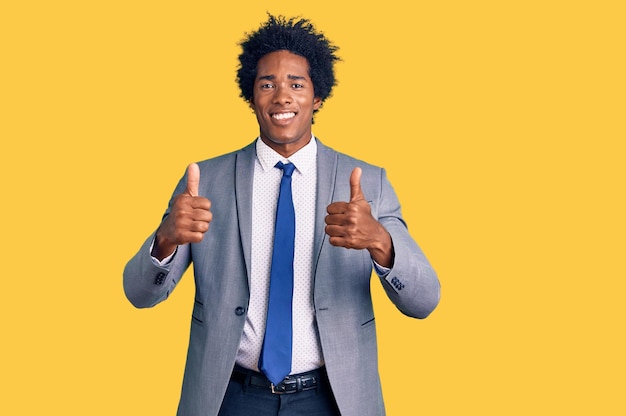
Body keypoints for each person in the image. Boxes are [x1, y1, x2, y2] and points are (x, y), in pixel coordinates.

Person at [124, 14, 440, 416]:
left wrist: (380, 242)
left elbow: (424, 300)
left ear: (318, 96)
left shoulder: (367, 184)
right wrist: (165, 239)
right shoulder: (204, 182)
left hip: (332, 399)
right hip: (229, 397)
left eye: (296, 84)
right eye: (267, 84)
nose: (282, 97)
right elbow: (138, 294)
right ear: (251, 96)